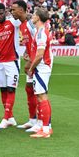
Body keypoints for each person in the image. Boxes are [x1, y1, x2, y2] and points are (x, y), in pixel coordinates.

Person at [0, 3, 21, 129]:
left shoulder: (13, 23)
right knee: (3, 89)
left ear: (5, 12)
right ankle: (11, 118)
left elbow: (24, 18)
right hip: (0, 62)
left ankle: (5, 117)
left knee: (11, 89)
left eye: (1, 13)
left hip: (12, 61)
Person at [10, 0, 38, 131]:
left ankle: (41, 122)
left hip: (39, 61)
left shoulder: (31, 23)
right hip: (32, 59)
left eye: (13, 10)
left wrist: (31, 61)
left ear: (21, 10)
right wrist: (27, 51)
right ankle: (33, 120)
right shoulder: (22, 25)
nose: (12, 12)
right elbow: (31, 42)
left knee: (38, 91)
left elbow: (40, 41)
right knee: (29, 89)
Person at [28, 8, 53, 138]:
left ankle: (45, 130)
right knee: (42, 96)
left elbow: (40, 55)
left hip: (41, 68)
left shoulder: (41, 33)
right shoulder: (40, 31)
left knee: (41, 96)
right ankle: (46, 126)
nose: (32, 17)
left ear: (38, 17)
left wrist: (31, 68)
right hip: (43, 67)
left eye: (33, 15)